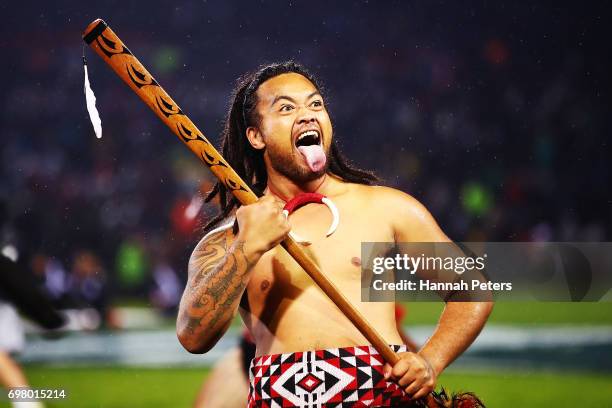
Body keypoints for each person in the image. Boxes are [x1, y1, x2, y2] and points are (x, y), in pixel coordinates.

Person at [176, 61, 492, 407]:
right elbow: (193, 336)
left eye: (316, 104)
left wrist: (430, 360)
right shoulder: (231, 236)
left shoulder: (385, 208)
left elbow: (472, 289)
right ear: (256, 135)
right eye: (286, 108)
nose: (309, 115)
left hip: (379, 397)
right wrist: (246, 249)